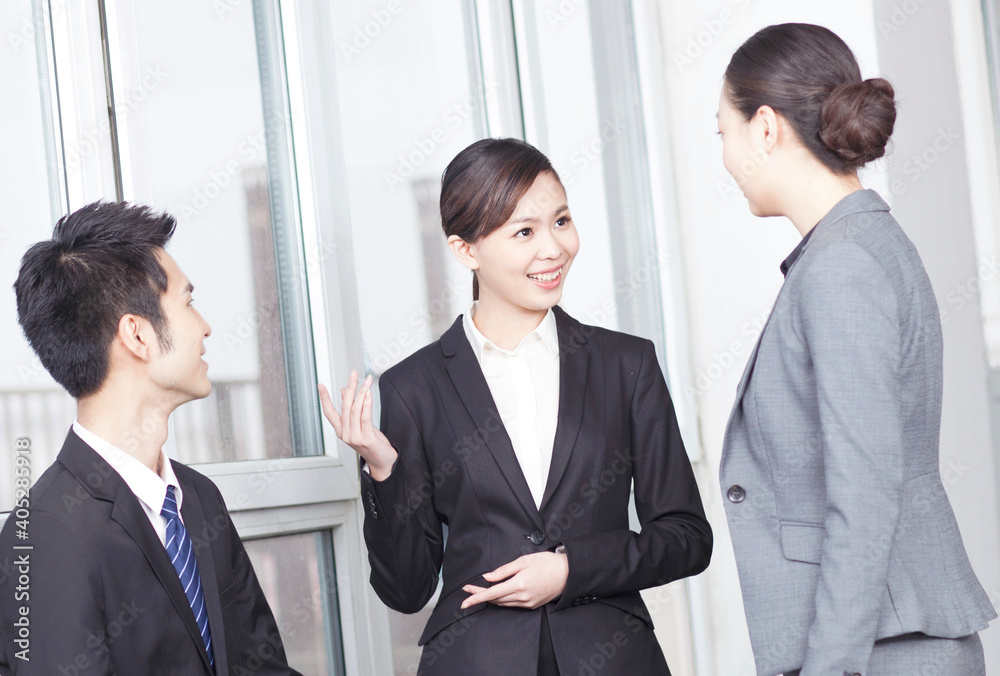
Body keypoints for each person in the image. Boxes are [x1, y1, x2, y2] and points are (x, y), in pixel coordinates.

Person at [319, 137, 712, 675]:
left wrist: (570, 570)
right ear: (466, 250)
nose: (552, 248)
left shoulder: (627, 364)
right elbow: (406, 589)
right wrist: (384, 470)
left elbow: (686, 538)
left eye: (561, 221)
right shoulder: (415, 386)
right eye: (524, 231)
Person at [717, 23, 996, 676]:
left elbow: (865, 498)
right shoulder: (859, 245)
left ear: (764, 128)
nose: (724, 156)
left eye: (721, 132)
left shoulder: (842, 266)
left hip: (882, 651)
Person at [0, 202, 302, 675]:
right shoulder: (45, 536)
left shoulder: (199, 499)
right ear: (137, 335)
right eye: (187, 301)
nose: (205, 327)